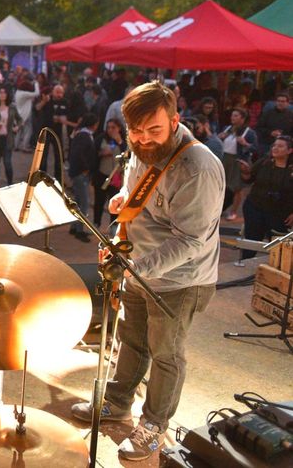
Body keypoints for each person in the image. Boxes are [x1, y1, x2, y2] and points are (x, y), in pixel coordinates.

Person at [71, 81, 224, 461]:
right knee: (131, 338)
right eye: (135, 132)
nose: (143, 139)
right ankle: (118, 402)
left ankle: (154, 425)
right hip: (137, 267)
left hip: (178, 279)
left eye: (154, 130)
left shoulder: (198, 168)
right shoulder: (142, 145)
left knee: (166, 353)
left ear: (175, 120)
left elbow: (191, 240)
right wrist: (125, 201)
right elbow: (145, 193)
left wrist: (136, 267)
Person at [237, 136, 293, 265]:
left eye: (280, 146)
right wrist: (245, 172)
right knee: (251, 238)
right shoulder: (264, 162)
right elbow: (249, 179)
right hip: (255, 207)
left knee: (278, 245)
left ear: (289, 150)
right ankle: (245, 264)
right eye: (274, 145)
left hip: (279, 213)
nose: (275, 148)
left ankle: (276, 271)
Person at [217, 108, 258, 221]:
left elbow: (255, 148)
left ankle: (233, 212)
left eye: (236, 116)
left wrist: (245, 144)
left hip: (238, 161)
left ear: (242, 118)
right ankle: (219, 209)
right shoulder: (227, 129)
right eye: (232, 115)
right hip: (225, 159)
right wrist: (219, 137)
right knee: (221, 185)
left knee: (237, 188)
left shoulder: (249, 132)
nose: (232, 118)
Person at [67, 113, 98, 242]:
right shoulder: (84, 136)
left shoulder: (81, 134)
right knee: (83, 203)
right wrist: (85, 168)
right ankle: (80, 230)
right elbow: (79, 154)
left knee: (78, 201)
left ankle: (74, 226)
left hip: (77, 172)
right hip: (80, 173)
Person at [91, 118, 127, 229]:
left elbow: (128, 155)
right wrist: (101, 153)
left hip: (116, 178)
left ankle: (114, 228)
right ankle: (96, 224)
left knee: (115, 203)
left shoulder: (124, 141)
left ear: (119, 128)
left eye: (113, 127)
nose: (110, 130)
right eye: (109, 127)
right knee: (99, 202)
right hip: (102, 176)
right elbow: (92, 155)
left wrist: (120, 142)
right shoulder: (101, 139)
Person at [255, 91, 292, 155]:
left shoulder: (291, 115)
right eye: (278, 101)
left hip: (283, 147)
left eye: (283, 101)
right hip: (266, 144)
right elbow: (259, 127)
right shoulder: (267, 113)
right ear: (275, 102)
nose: (280, 103)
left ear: (287, 103)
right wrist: (270, 132)